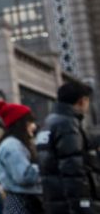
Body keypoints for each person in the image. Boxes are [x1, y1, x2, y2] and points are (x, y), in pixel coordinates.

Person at [37, 81, 100, 213]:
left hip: (56, 202)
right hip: (72, 205)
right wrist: (84, 206)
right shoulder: (68, 124)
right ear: (82, 101)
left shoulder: (50, 122)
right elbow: (73, 170)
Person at [0, 99, 43, 213]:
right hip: (22, 202)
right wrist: (45, 166)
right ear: (20, 123)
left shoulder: (15, 144)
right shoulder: (12, 146)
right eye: (30, 122)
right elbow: (24, 176)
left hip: (22, 201)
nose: (33, 126)